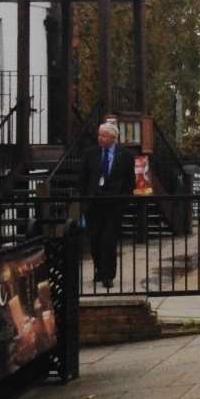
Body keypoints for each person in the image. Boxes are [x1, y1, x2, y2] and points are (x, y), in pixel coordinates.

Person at [79, 122, 136, 288]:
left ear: (113, 138)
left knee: (109, 240)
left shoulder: (125, 155)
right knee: (95, 239)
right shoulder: (90, 154)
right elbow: (83, 178)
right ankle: (99, 268)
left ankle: (108, 275)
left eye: (103, 135)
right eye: (99, 135)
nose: (100, 138)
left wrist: (124, 199)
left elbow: (129, 181)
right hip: (94, 204)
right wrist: (85, 197)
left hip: (114, 205)